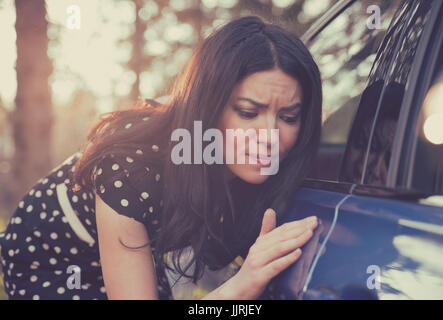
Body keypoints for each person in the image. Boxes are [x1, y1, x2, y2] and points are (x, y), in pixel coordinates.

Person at [0, 15, 322, 300]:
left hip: (134, 250)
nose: (269, 136)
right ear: (208, 106)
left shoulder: (262, 160)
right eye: (248, 112)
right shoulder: (129, 169)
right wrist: (244, 285)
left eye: (289, 117)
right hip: (52, 259)